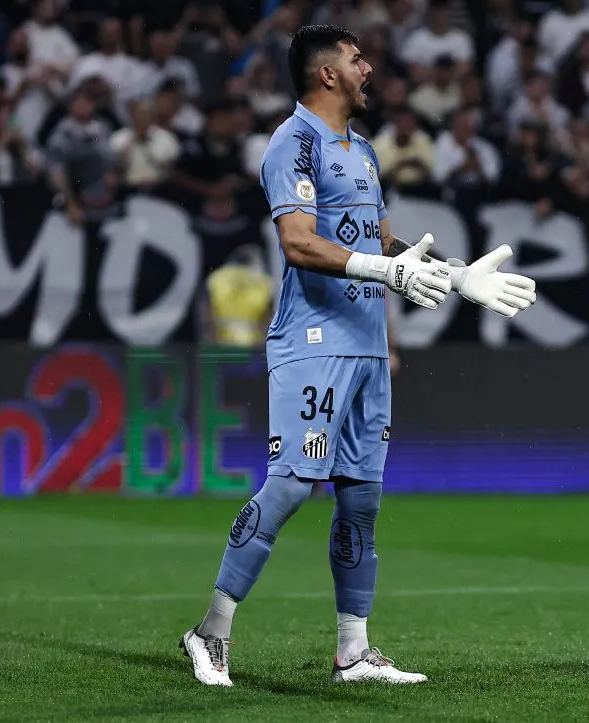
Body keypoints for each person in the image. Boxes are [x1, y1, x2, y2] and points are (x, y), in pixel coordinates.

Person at [179, 24, 538, 688]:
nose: (368, 68)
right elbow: (298, 242)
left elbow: (378, 238)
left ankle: (353, 651)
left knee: (361, 499)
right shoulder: (293, 143)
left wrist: (455, 277)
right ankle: (210, 632)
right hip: (313, 340)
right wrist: (382, 269)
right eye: (356, 59)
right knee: (290, 484)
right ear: (326, 75)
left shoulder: (363, 150)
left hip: (368, 345)